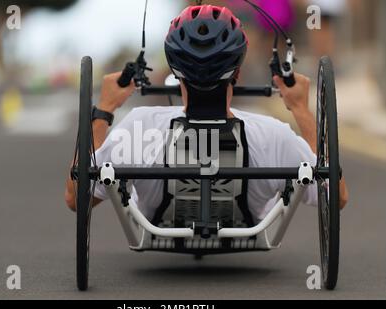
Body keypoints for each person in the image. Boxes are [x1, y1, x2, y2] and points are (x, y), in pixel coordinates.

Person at [65, 5, 348, 222]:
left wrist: (104, 110)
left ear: (175, 71)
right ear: (237, 69)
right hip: (245, 222)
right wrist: (300, 109)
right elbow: (336, 195)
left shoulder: (139, 128)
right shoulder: (273, 135)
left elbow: (76, 198)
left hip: (158, 221)